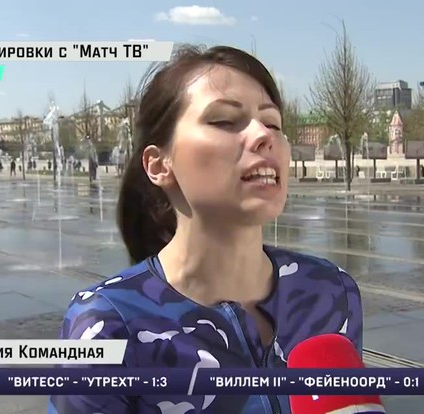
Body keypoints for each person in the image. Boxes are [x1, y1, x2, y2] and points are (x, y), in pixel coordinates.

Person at [49, 45, 376, 414]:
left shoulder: (330, 291)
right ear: (159, 165)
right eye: (223, 120)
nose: (263, 135)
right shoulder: (105, 322)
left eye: (272, 123)